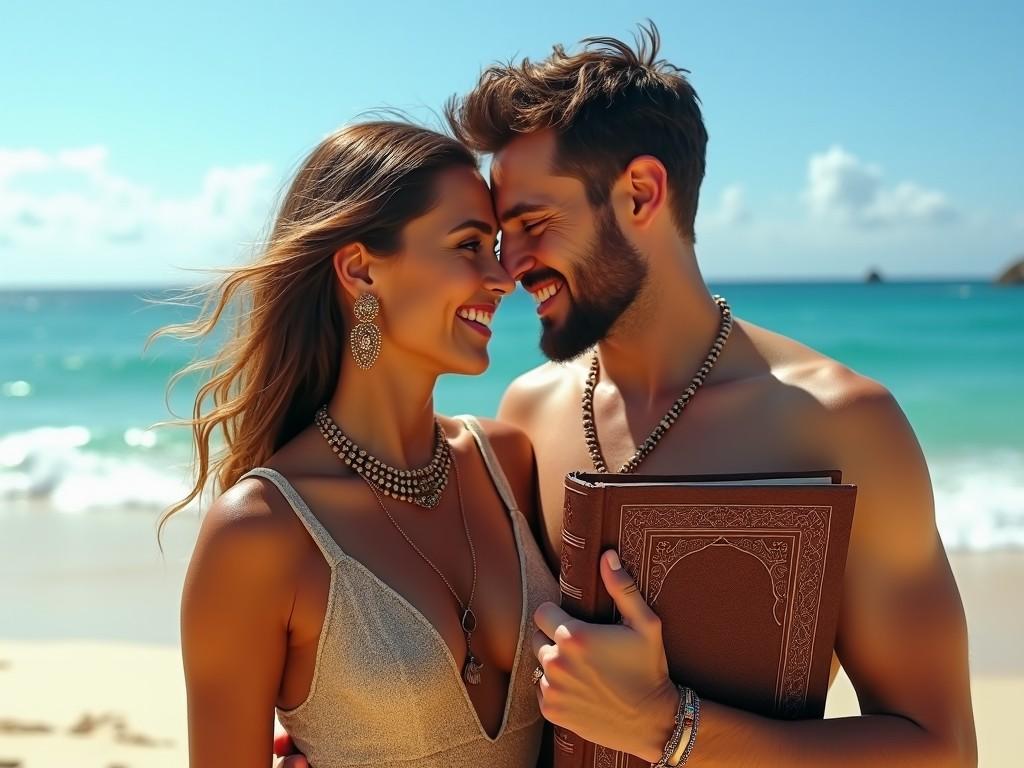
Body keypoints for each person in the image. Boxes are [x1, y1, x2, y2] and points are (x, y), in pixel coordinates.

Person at [276, 25, 977, 768]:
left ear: (641, 193)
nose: (509, 269)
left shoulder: (840, 426)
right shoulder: (527, 420)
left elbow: (941, 749)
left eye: (533, 225)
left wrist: (669, 729)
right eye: (495, 237)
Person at [163, 121, 559, 768]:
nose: (501, 276)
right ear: (359, 270)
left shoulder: (510, 464)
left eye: (493, 246)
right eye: (468, 246)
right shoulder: (261, 534)